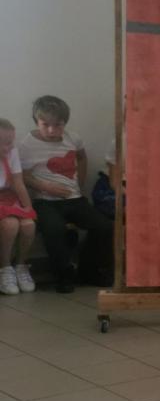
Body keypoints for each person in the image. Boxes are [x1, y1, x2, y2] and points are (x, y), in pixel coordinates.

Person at [19, 95, 114, 293]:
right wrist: (46, 187)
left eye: (58, 125)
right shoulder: (27, 145)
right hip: (45, 201)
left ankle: (88, 270)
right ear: (37, 122)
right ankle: (63, 274)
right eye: (46, 125)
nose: (52, 130)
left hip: (74, 199)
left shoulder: (73, 138)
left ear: (65, 123)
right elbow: (24, 176)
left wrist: (80, 183)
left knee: (104, 227)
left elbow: (82, 157)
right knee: (54, 229)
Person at [0, 119, 37, 295]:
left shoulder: (11, 152)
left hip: (9, 196)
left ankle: (21, 266)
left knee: (29, 225)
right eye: (5, 143)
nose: (10, 147)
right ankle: (5, 268)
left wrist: (28, 208)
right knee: (10, 225)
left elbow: (18, 182)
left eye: (11, 142)